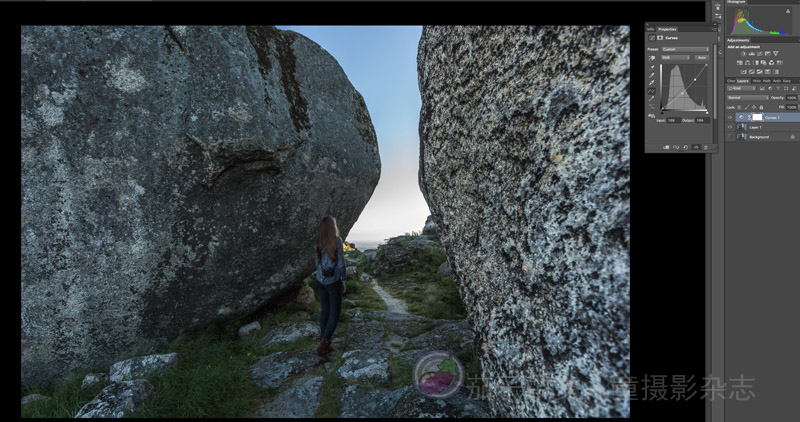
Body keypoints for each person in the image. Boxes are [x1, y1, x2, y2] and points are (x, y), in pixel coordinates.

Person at [314, 215, 347, 362]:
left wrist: (321, 276)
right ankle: (322, 348)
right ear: (332, 227)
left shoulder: (318, 241)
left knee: (325, 311)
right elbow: (341, 264)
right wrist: (344, 280)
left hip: (321, 281)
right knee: (334, 314)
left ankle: (324, 341)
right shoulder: (337, 240)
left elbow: (317, 263)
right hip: (333, 282)